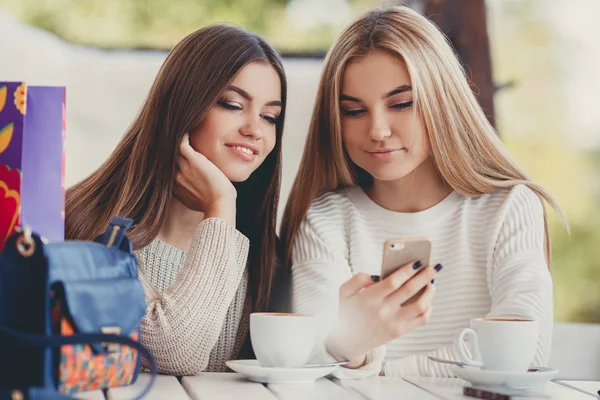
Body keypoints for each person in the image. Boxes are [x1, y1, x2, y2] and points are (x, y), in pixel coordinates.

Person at [281, 6, 565, 377]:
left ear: (443, 101)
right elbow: (312, 359)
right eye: (353, 111)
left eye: (401, 104)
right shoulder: (324, 219)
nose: (378, 130)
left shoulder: (509, 207)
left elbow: (522, 350)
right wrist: (344, 345)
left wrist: (371, 366)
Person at [66, 25, 288, 375]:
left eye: (269, 116)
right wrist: (219, 204)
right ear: (184, 106)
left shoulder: (262, 255)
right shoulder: (90, 229)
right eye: (233, 105)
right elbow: (173, 355)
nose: (255, 130)